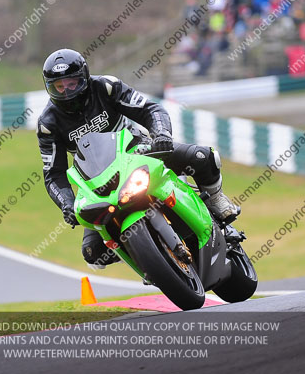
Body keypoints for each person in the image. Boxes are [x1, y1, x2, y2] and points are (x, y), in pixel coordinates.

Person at [37, 49, 239, 267]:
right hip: (97, 180)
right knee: (92, 252)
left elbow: (150, 109)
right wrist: (66, 203)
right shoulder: (48, 124)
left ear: (84, 78)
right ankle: (146, 256)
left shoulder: (106, 87)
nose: (66, 92)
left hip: (139, 150)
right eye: (59, 86)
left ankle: (215, 199)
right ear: (50, 87)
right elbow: (53, 173)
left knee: (203, 157)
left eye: (72, 84)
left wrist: (161, 134)